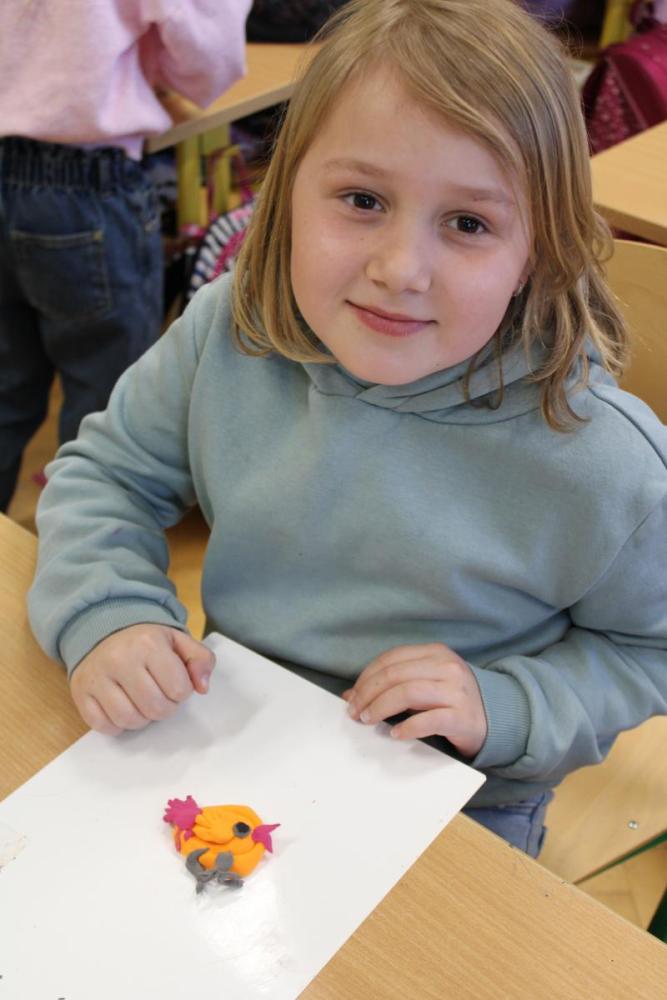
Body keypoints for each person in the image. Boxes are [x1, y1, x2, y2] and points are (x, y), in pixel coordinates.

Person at [29, 0, 667, 858]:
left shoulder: (605, 462)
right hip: (233, 728)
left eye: (468, 224)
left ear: (537, 254)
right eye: (362, 200)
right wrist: (110, 613)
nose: (399, 270)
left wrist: (506, 707)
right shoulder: (229, 328)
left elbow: (648, 651)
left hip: (457, 791)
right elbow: (106, 476)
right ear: (284, 196)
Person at [0, 0, 251, 512]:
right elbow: (209, 63)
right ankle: (82, 546)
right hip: (86, 182)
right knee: (111, 410)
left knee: (7, 389)